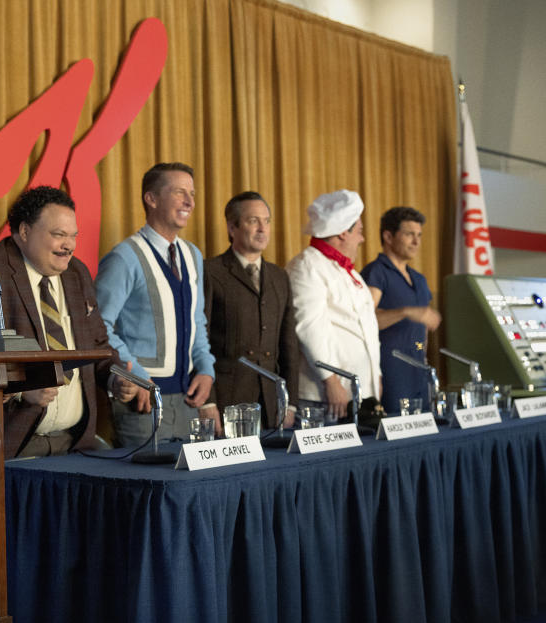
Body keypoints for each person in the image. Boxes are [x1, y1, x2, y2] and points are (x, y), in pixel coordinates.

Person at [0, 186, 139, 457]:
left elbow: (98, 345)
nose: (70, 245)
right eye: (59, 235)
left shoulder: (77, 273)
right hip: (12, 443)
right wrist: (20, 389)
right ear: (25, 231)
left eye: (73, 236)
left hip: (75, 443)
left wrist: (116, 379)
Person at [95, 162, 216, 445]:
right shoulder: (125, 257)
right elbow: (98, 327)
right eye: (179, 193)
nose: (190, 201)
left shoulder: (192, 255)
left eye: (192, 193)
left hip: (188, 401)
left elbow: (197, 321)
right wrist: (136, 374)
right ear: (151, 199)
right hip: (142, 403)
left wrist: (206, 369)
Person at [204, 191, 299, 430]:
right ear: (232, 227)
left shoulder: (279, 276)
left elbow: (289, 344)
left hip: (272, 401)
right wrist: (208, 401)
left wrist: (291, 404)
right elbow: (199, 339)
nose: (262, 229)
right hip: (228, 401)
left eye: (266, 221)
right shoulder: (210, 272)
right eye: (253, 221)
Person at [285, 189, 381, 423]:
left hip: (359, 394)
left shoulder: (352, 274)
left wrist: (375, 377)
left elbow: (367, 329)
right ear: (341, 233)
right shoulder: (307, 266)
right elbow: (310, 327)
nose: (362, 239)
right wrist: (330, 379)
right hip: (327, 395)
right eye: (358, 231)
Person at [361, 206, 441, 414]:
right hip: (389, 373)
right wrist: (406, 312)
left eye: (419, 235)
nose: (416, 242)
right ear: (388, 236)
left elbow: (422, 327)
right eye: (409, 235)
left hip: (418, 373)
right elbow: (364, 321)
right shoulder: (376, 272)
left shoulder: (419, 279)